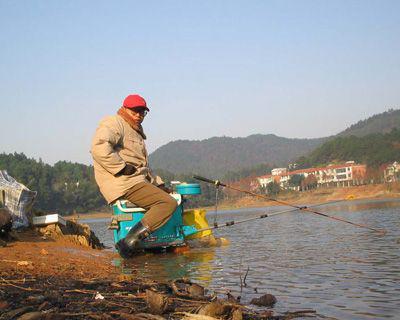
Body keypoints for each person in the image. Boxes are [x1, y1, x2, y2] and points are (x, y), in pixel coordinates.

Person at [91, 94, 177, 258]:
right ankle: (128, 242)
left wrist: (159, 185)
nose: (139, 115)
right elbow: (98, 147)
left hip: (135, 181)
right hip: (124, 183)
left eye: (143, 112)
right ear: (124, 109)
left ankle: (146, 245)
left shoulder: (135, 131)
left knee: (170, 197)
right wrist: (121, 168)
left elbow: (143, 167)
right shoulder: (114, 122)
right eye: (135, 111)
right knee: (168, 203)